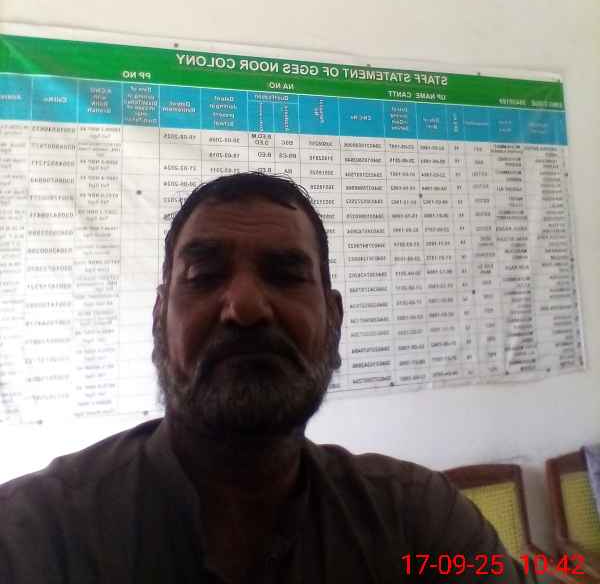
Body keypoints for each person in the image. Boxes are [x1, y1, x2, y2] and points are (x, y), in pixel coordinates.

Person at [0, 172, 524, 583]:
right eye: (204, 276)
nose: (246, 306)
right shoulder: (32, 537)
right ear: (159, 318)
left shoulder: (416, 521)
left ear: (334, 320)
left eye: (286, 275)